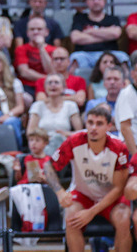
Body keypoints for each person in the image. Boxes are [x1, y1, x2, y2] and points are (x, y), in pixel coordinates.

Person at [44, 104, 131, 252]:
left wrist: (91, 212)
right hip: (84, 195)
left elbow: (119, 188)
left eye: (99, 124)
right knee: (71, 218)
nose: (93, 128)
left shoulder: (119, 147)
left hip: (111, 198)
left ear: (109, 126)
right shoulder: (74, 141)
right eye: (90, 123)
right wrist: (59, 192)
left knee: (123, 219)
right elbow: (48, 166)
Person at [69, 0, 125, 69]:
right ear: (87, 2)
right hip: (86, 55)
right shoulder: (79, 18)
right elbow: (75, 38)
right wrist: (106, 36)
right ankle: (76, 82)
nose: (96, 2)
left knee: (123, 57)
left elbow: (116, 34)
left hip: (110, 54)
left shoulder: (113, 19)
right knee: (75, 58)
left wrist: (90, 31)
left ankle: (127, 81)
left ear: (104, 1)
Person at [29, 73, 82, 150]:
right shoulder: (37, 106)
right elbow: (30, 132)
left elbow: (79, 133)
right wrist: (45, 137)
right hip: (43, 145)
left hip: (64, 144)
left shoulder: (71, 106)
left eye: (56, 82)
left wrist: (67, 134)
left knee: (57, 139)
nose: (53, 85)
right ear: (45, 87)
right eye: (49, 83)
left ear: (64, 88)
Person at [14, 17, 56, 100]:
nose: (36, 32)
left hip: (50, 86)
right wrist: (47, 78)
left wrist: (41, 47)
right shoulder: (21, 49)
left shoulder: (54, 50)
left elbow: (52, 71)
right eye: (32, 29)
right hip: (28, 86)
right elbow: (24, 72)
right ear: (27, 33)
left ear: (46, 32)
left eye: (39, 29)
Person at [114, 52, 137, 154]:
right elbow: (125, 128)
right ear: (133, 74)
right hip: (131, 147)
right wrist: (135, 157)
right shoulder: (127, 94)